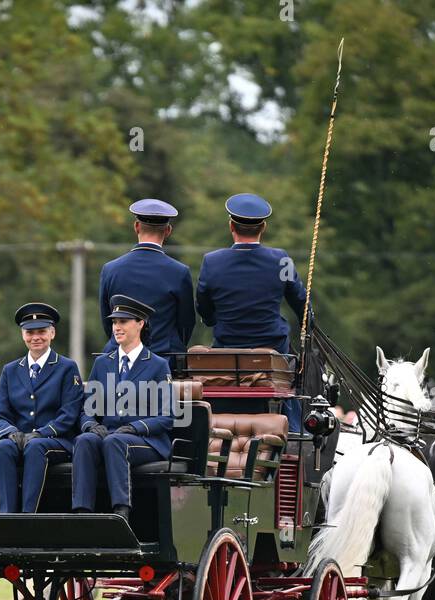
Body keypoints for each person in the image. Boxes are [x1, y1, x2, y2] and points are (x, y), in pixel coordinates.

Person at [195, 193, 311, 430]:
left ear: (231, 226)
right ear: (264, 227)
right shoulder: (280, 260)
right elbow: (301, 302)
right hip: (272, 355)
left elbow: (203, 307)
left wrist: (213, 320)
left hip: (227, 351)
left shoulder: (212, 262)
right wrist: (307, 327)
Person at [72, 295, 174, 522]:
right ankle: (81, 514)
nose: (116, 327)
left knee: (114, 442)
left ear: (141, 323)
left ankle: (121, 513)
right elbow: (88, 408)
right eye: (114, 322)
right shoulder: (102, 363)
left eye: (123, 322)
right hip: (110, 436)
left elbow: (168, 416)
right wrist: (90, 424)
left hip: (147, 442)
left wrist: (134, 427)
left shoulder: (158, 365)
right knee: (84, 440)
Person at [0, 302, 84, 513]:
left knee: (36, 447)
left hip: (56, 441)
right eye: (29, 332)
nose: (36, 337)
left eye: (41, 331)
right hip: (20, 440)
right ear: (22, 335)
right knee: (3, 447)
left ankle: (27, 516)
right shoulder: (10, 370)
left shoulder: (67, 367)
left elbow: (69, 413)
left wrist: (40, 433)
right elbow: (1, 415)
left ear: (52, 333)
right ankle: (6, 516)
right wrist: (12, 433)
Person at [97, 199, 196, 359]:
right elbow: (186, 324)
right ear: (168, 230)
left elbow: (107, 320)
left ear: (136, 227)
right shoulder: (179, 272)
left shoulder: (111, 269)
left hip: (121, 356)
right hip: (165, 357)